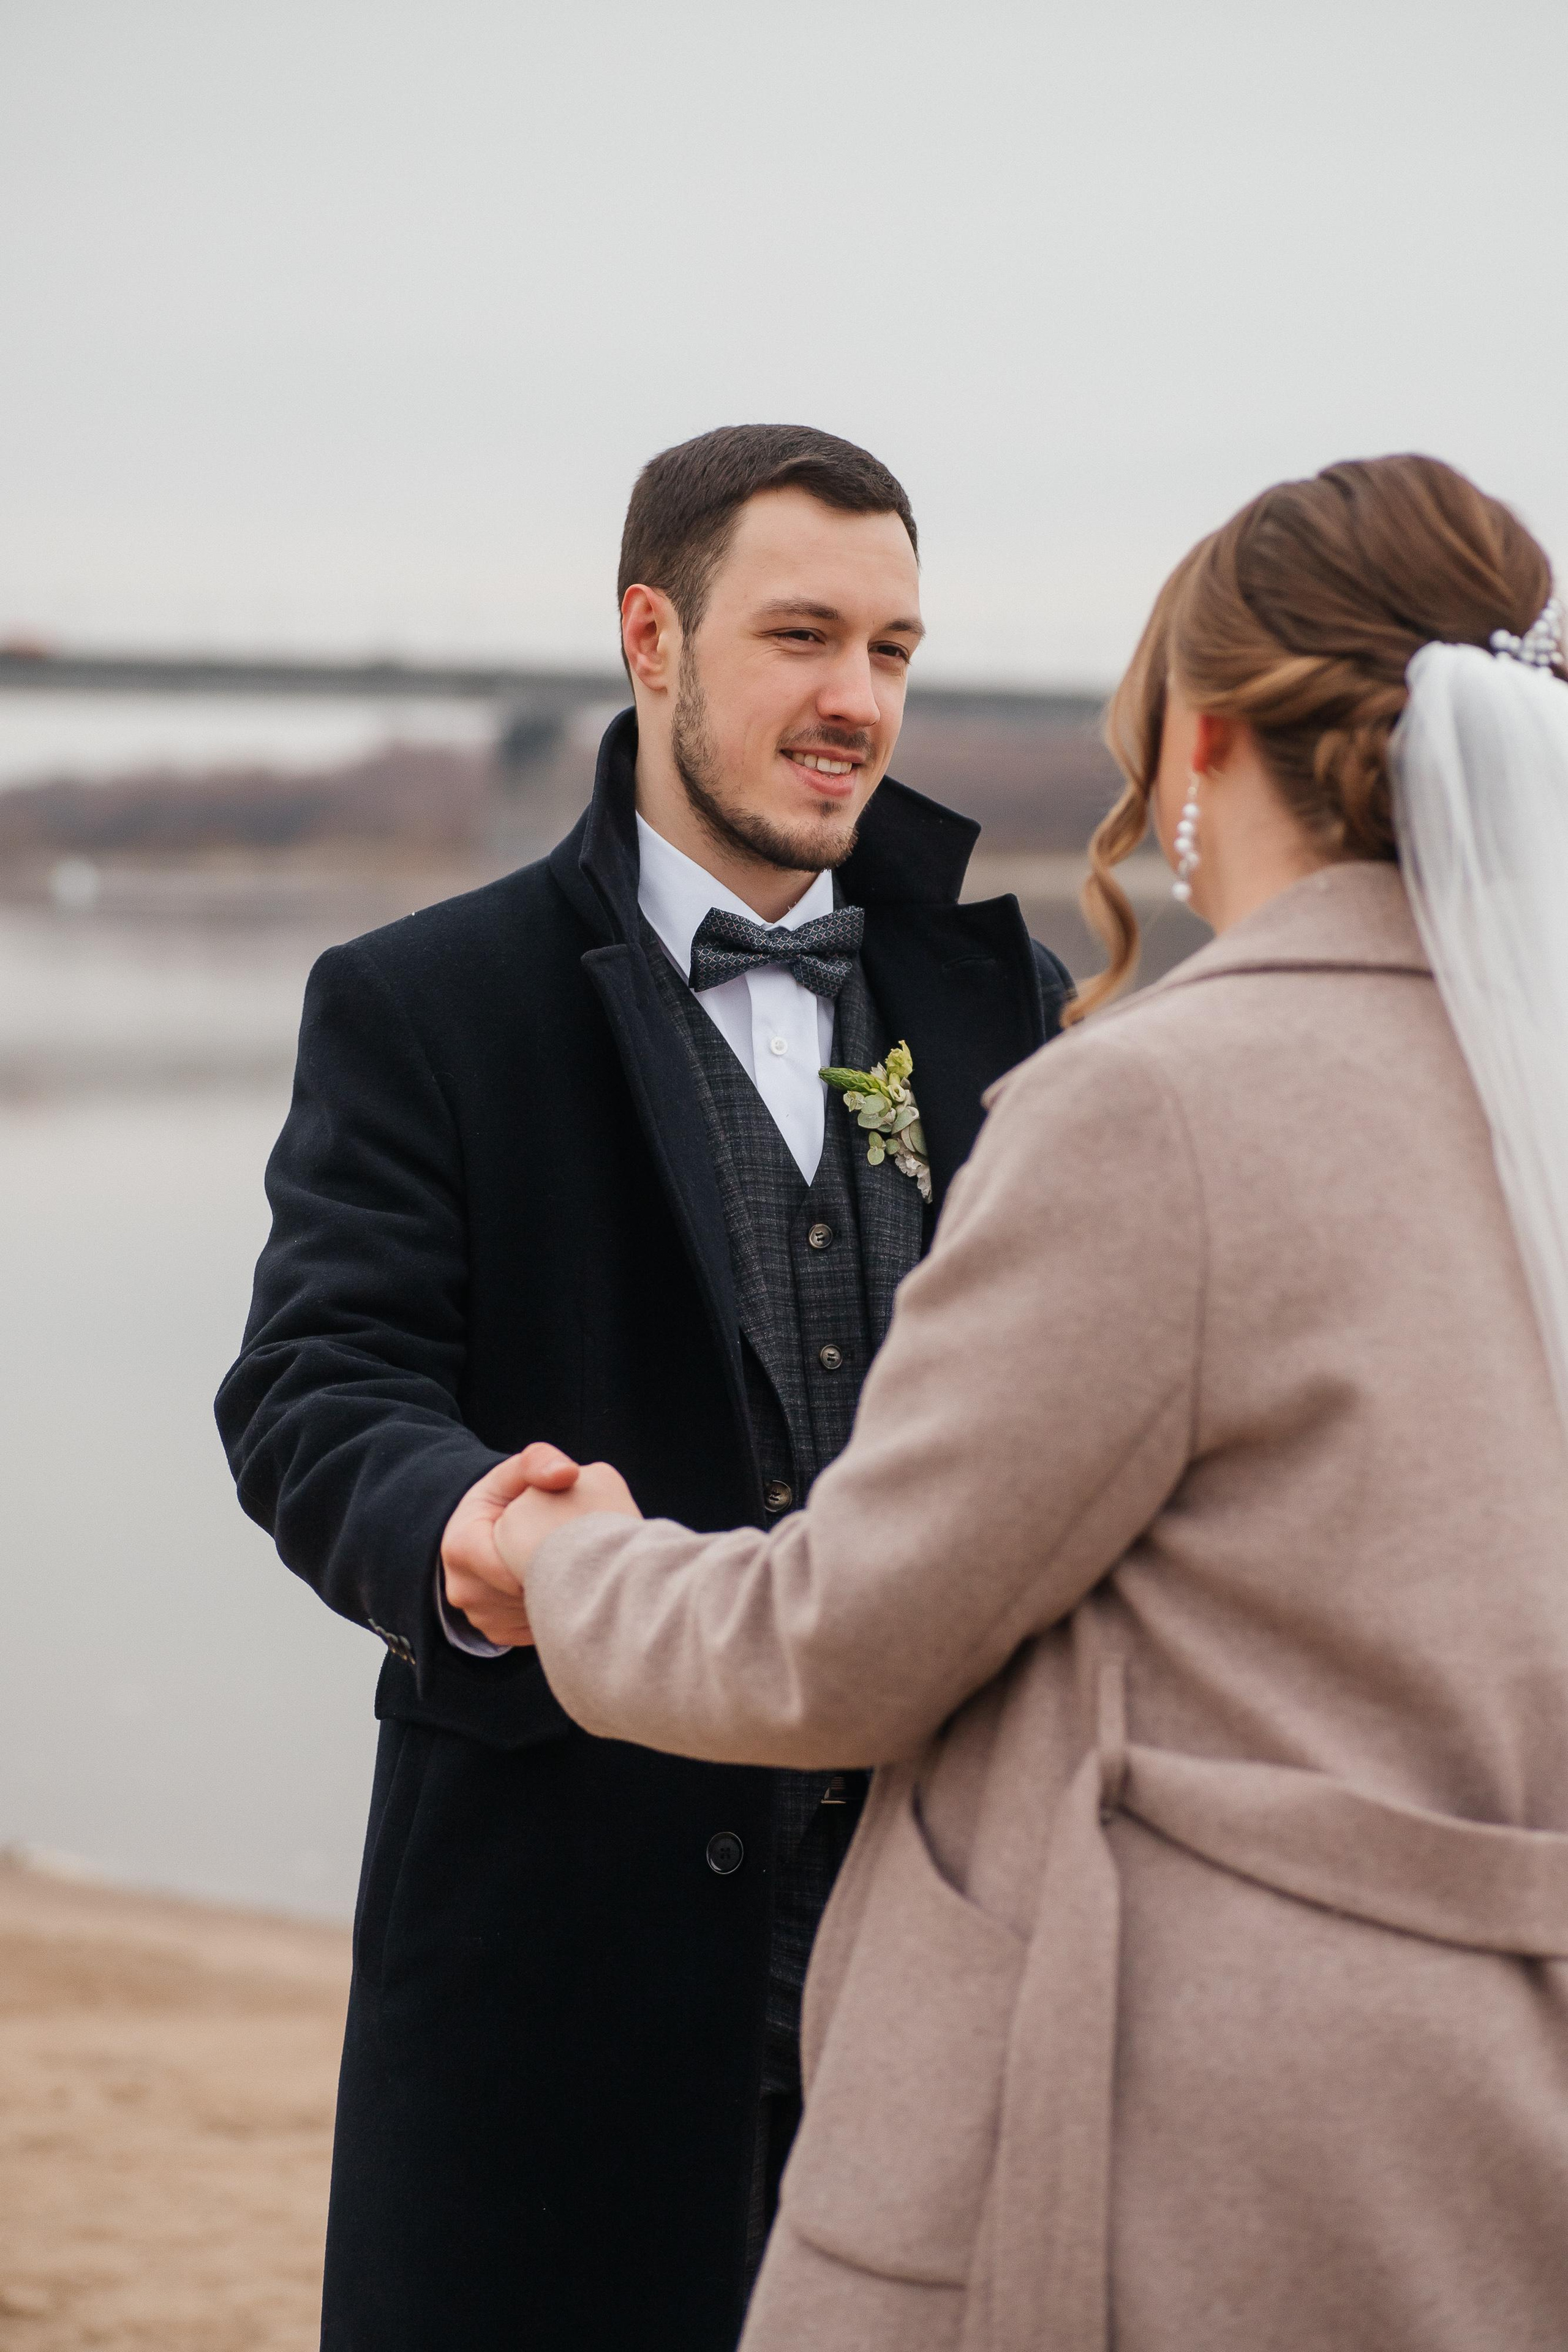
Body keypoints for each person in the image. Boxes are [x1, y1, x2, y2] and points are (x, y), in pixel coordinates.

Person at [495, 453, 1568, 2352]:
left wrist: (583, 1562)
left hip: (1174, 2138)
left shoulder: (1163, 1104)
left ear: (1208, 743)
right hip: (1504, 2114)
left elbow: (841, 1643)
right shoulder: (1534, 1105)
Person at [215, 421, 1071, 2352]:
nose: (858, 701)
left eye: (895, 651)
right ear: (653, 640)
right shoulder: (422, 1001)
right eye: (802, 636)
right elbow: (310, 1383)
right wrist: (465, 1524)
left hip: (943, 1977)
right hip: (560, 1970)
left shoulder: (1000, 1005)